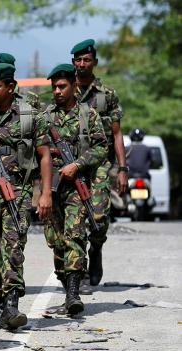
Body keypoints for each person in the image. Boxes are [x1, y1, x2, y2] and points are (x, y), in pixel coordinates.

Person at [0, 61, 53, 330]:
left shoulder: (29, 116)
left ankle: (12, 305)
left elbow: (44, 155)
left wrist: (45, 192)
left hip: (18, 191)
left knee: (14, 248)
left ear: (11, 87)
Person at [42, 64, 108, 315]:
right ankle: (65, 283)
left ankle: (73, 293)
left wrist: (78, 164)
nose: (57, 91)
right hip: (51, 187)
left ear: (73, 86)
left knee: (75, 236)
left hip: (76, 188)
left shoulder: (87, 115)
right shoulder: (45, 117)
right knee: (56, 241)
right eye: (54, 87)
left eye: (62, 86)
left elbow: (102, 148)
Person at [71, 39, 128, 287]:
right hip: (71, 162)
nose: (82, 64)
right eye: (78, 60)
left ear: (94, 62)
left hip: (100, 165)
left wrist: (123, 169)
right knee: (74, 219)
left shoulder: (106, 96)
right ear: (73, 61)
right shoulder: (63, 89)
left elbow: (116, 133)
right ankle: (81, 272)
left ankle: (96, 249)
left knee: (99, 216)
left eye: (87, 60)